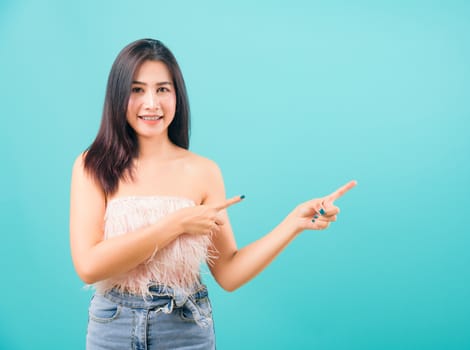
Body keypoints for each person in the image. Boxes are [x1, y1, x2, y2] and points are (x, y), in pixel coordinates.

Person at [69, 38, 356, 350]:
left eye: (162, 89)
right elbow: (89, 265)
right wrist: (176, 225)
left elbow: (229, 272)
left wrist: (293, 223)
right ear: (118, 95)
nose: (151, 103)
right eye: (137, 90)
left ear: (177, 95)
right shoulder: (93, 165)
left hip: (185, 329)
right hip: (113, 327)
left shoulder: (203, 172)